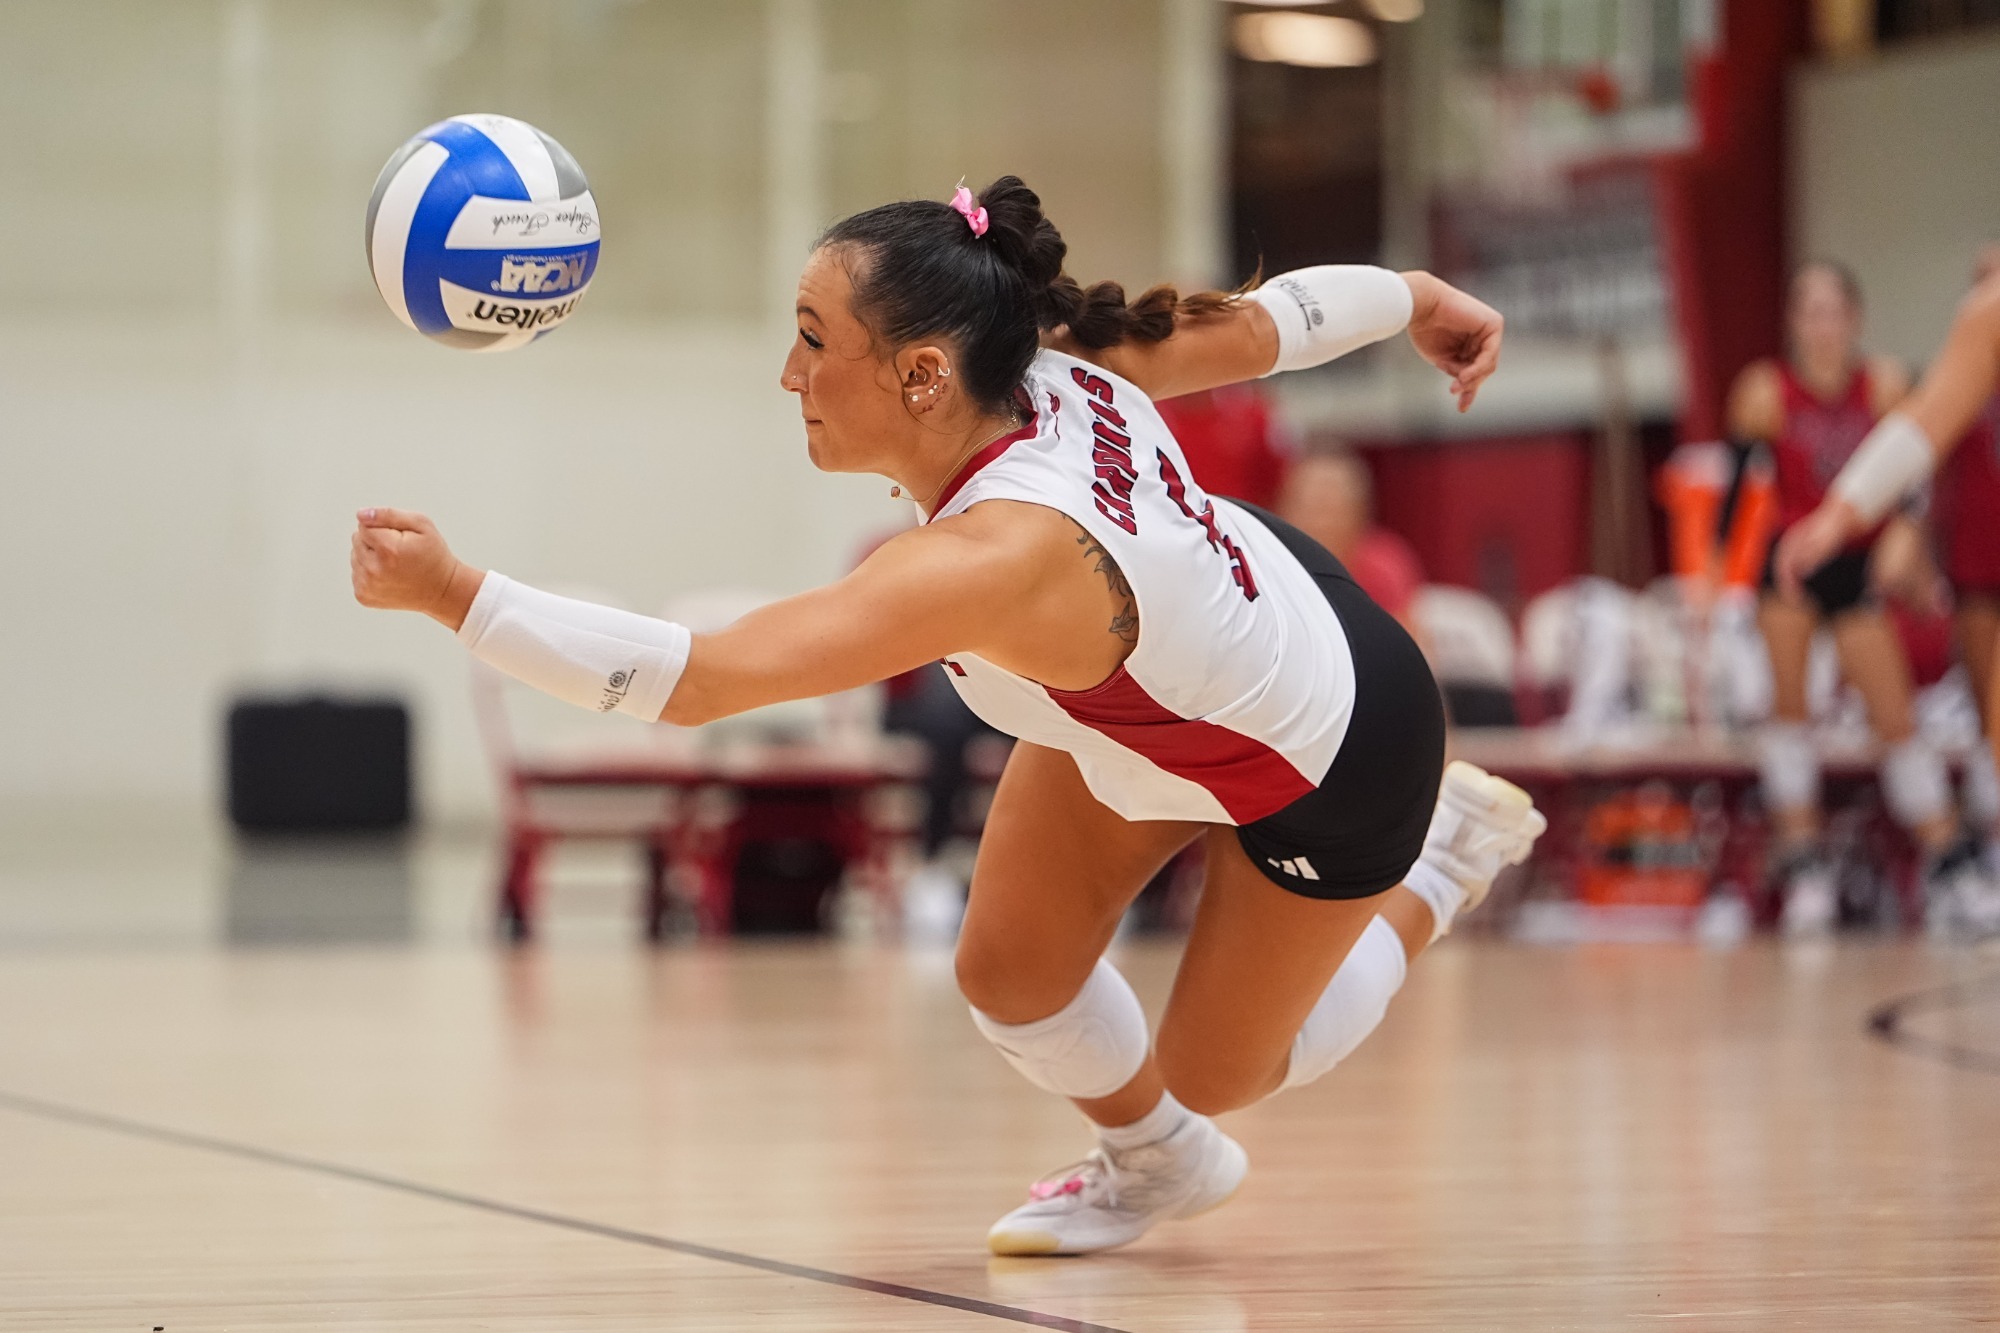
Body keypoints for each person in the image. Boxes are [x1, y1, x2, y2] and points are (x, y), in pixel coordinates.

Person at [350, 177, 1545, 1255]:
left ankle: (1437, 865)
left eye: (813, 342)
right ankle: (1155, 1162)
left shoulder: (991, 556)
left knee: (1215, 1070)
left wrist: (456, 596)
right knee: (1009, 973)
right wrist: (1415, 296)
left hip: (1335, 746)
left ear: (924, 374)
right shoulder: (1036, 355)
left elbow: (699, 679)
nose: (788, 374)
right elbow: (1274, 324)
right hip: (1168, 678)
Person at [1727, 260, 1975, 934]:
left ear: (1855, 320)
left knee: (1896, 717)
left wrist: (1909, 537)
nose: (1822, 325)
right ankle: (1804, 863)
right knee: (1790, 713)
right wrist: (1718, 586)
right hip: (1792, 565)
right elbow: (1734, 496)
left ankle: (1948, 860)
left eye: (1833, 311)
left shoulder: (1885, 383)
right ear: (1792, 322)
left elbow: (1920, 470)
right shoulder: (1766, 391)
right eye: (1809, 311)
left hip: (1860, 562)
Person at [1780, 245, 2000, 932]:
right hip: (1960, 572)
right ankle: (1807, 862)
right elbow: (1926, 423)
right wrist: (1842, 512)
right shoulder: (1989, 314)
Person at [1278, 449, 1429, 654]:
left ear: (1358, 512)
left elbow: (1414, 653)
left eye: (1327, 508)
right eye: (1306, 506)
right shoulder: (1269, 563)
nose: (1318, 523)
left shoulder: (1383, 568)